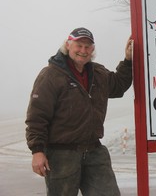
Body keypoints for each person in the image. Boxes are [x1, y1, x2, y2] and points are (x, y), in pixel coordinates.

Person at [25, 27, 133, 196]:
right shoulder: (51, 75)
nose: (83, 51)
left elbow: (118, 86)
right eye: (79, 45)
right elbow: (37, 117)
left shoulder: (98, 73)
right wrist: (37, 151)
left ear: (92, 50)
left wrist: (128, 60)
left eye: (88, 46)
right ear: (68, 45)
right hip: (61, 155)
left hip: (94, 151)